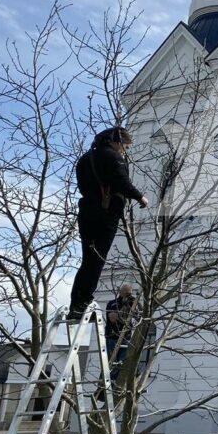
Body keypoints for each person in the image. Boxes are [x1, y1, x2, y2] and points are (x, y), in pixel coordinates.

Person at [68, 127, 147, 319]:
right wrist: (140, 197)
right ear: (117, 141)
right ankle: (84, 301)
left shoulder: (86, 159)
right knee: (97, 259)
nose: (124, 151)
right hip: (105, 213)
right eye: (125, 147)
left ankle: (76, 303)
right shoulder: (113, 157)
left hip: (86, 211)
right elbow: (122, 182)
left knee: (89, 259)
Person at [105, 284, 136, 382]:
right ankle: (108, 380)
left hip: (126, 337)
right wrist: (123, 316)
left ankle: (116, 380)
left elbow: (139, 316)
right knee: (111, 360)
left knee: (122, 361)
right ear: (120, 292)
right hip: (113, 336)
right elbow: (112, 318)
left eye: (129, 294)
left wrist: (131, 305)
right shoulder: (113, 303)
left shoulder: (133, 303)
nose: (128, 295)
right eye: (126, 293)